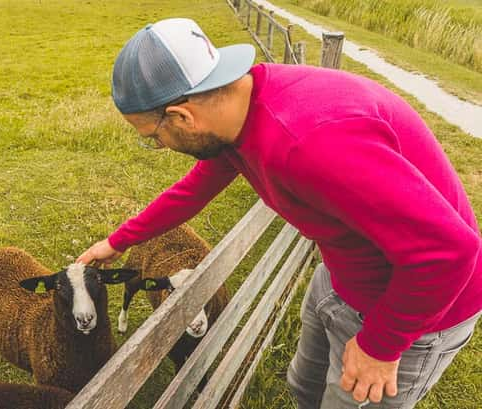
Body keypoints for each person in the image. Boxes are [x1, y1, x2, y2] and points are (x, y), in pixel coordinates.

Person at [76, 18, 482, 408]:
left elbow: (451, 250)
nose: (161, 145)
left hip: (413, 310)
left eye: (153, 137)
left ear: (183, 116)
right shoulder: (239, 113)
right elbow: (194, 188)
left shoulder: (309, 144)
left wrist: (381, 345)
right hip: (344, 278)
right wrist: (120, 240)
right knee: (304, 389)